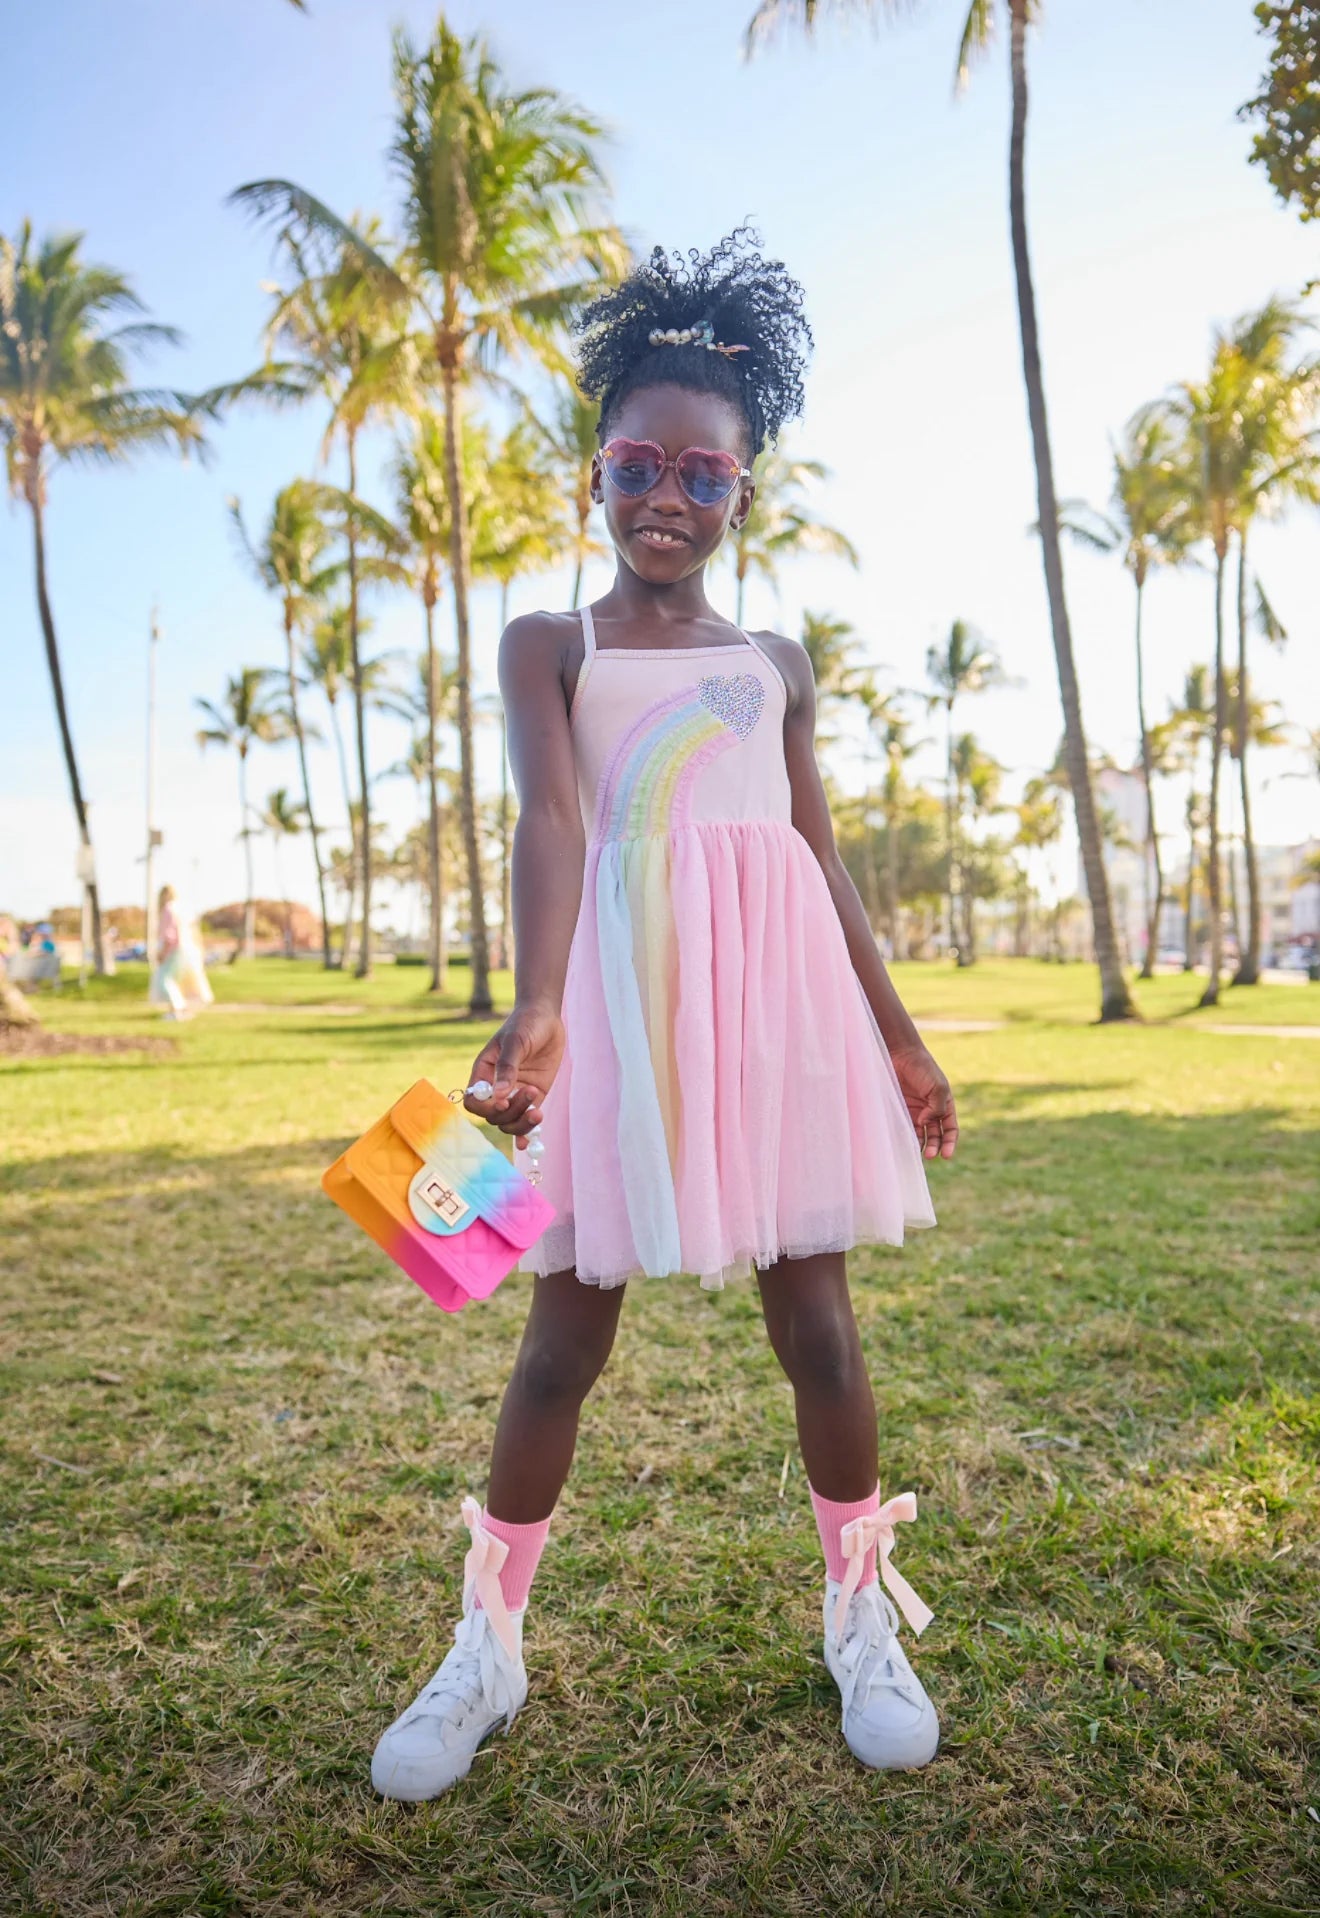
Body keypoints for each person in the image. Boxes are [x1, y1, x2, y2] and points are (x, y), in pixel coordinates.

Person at [371, 231, 959, 1803]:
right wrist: (539, 1003)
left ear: (741, 495)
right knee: (562, 1342)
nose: (666, 497)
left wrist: (897, 1033)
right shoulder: (546, 646)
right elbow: (551, 824)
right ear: (595, 472)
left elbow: (817, 851)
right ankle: (484, 1643)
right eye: (639, 462)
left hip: (778, 1011)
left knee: (817, 1323)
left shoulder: (775, 661)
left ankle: (860, 1614)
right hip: (613, 1020)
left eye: (703, 475)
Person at [148, 885, 213, 1018]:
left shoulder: (168, 909)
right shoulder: (184, 909)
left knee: (164, 979)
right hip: (189, 949)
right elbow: (194, 931)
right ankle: (183, 1009)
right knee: (180, 979)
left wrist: (163, 953)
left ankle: (177, 1010)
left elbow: (169, 936)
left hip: (175, 949)